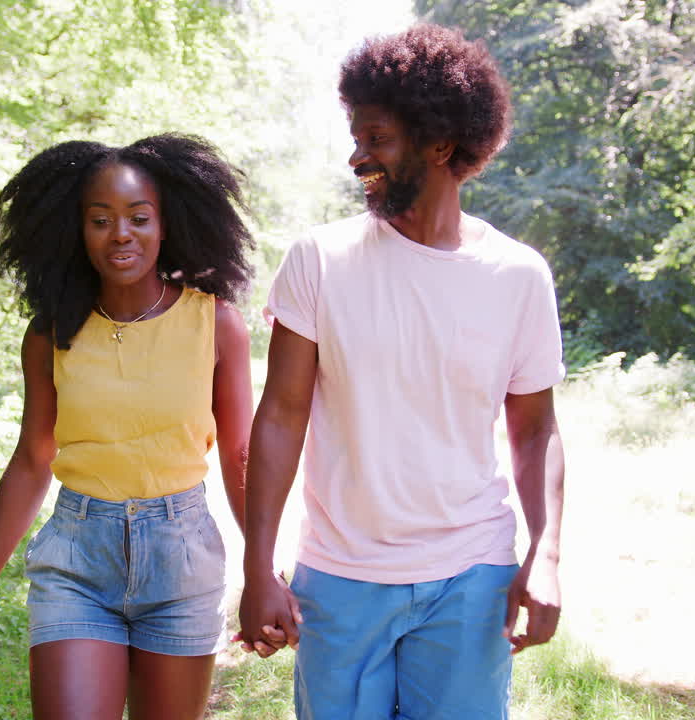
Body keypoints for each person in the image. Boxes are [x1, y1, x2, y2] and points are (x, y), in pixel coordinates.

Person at [237, 24, 567, 720]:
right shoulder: (318, 260)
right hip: (342, 575)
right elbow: (281, 415)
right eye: (356, 137)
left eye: (376, 137)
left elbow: (535, 431)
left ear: (440, 142)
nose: (359, 156)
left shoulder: (518, 276)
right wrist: (257, 562)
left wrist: (547, 552)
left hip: (471, 576)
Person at [0, 133, 256, 720]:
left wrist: (262, 566)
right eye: (100, 220)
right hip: (78, 560)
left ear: (166, 225)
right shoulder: (51, 332)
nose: (121, 234)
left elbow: (239, 455)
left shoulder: (215, 323)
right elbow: (33, 459)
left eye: (139, 217)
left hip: (181, 557)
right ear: (77, 230)